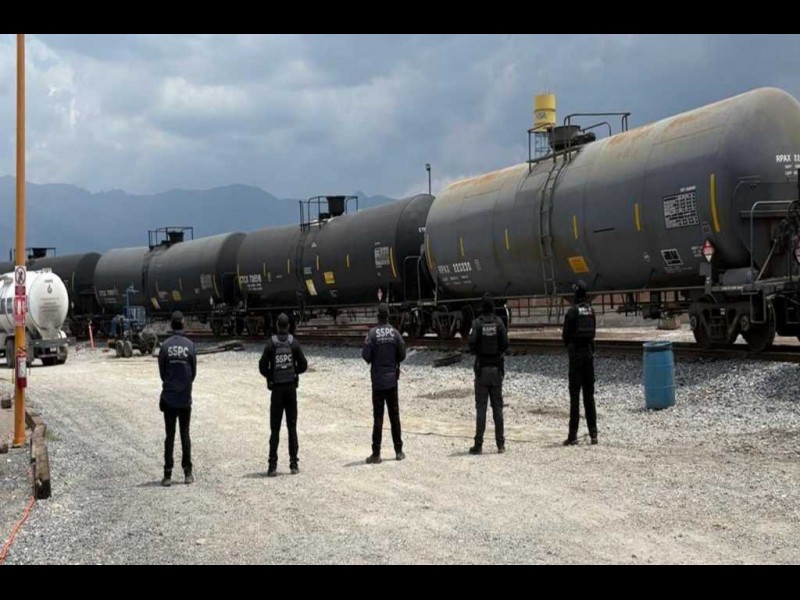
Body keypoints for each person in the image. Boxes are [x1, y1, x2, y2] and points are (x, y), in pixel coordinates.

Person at [259, 313, 308, 477]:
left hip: (277, 391)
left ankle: (272, 466)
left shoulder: (271, 344)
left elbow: (262, 366)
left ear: (277, 326)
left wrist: (271, 376)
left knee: (275, 428)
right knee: (292, 426)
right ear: (288, 326)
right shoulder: (294, 343)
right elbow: (304, 364)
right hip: (290, 389)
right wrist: (294, 372)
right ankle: (294, 464)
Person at [362, 305, 406, 464]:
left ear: (377, 316)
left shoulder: (372, 334)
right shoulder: (395, 333)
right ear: (388, 316)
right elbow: (402, 354)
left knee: (378, 417)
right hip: (392, 381)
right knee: (395, 416)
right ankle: (398, 451)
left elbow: (366, 356)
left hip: (378, 382)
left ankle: (376, 454)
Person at [158, 311, 197, 486]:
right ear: (183, 323)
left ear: (171, 324)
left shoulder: (165, 346)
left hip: (169, 398)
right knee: (185, 435)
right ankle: (188, 474)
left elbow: (162, 372)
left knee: (170, 436)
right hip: (184, 399)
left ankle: (167, 475)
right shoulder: (190, 346)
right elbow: (193, 373)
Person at [467, 293, 509, 454]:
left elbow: (471, 342)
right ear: (493, 307)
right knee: (497, 408)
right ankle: (500, 444)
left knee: (481, 408)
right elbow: (505, 343)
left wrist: (478, 350)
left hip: (482, 371)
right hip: (496, 370)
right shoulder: (499, 323)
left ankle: (478, 445)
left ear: (482, 307)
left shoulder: (477, 323)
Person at [561, 280, 598, 446]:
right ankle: (594, 434)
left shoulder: (573, 312)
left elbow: (565, 335)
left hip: (576, 357)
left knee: (575, 397)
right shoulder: (591, 311)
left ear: (576, 294)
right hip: (589, 356)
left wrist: (571, 347)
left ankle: (573, 436)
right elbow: (593, 333)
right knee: (589, 397)